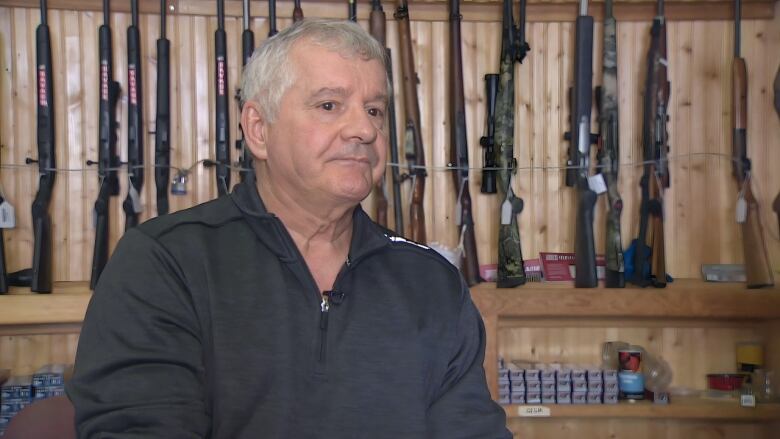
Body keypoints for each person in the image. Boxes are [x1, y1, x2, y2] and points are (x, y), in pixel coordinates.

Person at [66, 19, 511, 438]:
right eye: (329, 105)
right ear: (258, 130)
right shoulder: (164, 263)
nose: (364, 129)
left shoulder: (431, 281)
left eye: (374, 110)